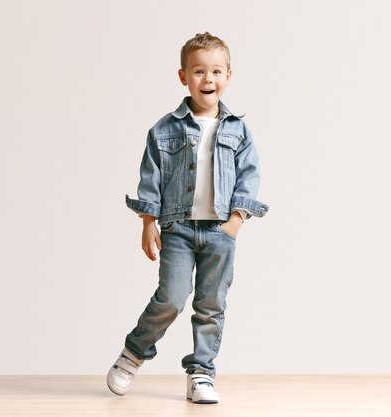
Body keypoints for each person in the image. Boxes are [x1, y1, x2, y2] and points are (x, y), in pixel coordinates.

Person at [107, 32, 269, 404]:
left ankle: (201, 373)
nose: (207, 79)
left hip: (219, 232)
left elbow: (250, 176)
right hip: (177, 228)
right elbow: (151, 177)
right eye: (198, 71)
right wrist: (149, 222)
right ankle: (134, 352)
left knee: (211, 306)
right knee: (172, 298)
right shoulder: (164, 129)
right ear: (183, 77)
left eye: (215, 71)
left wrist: (236, 222)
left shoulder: (239, 130)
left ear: (228, 76)